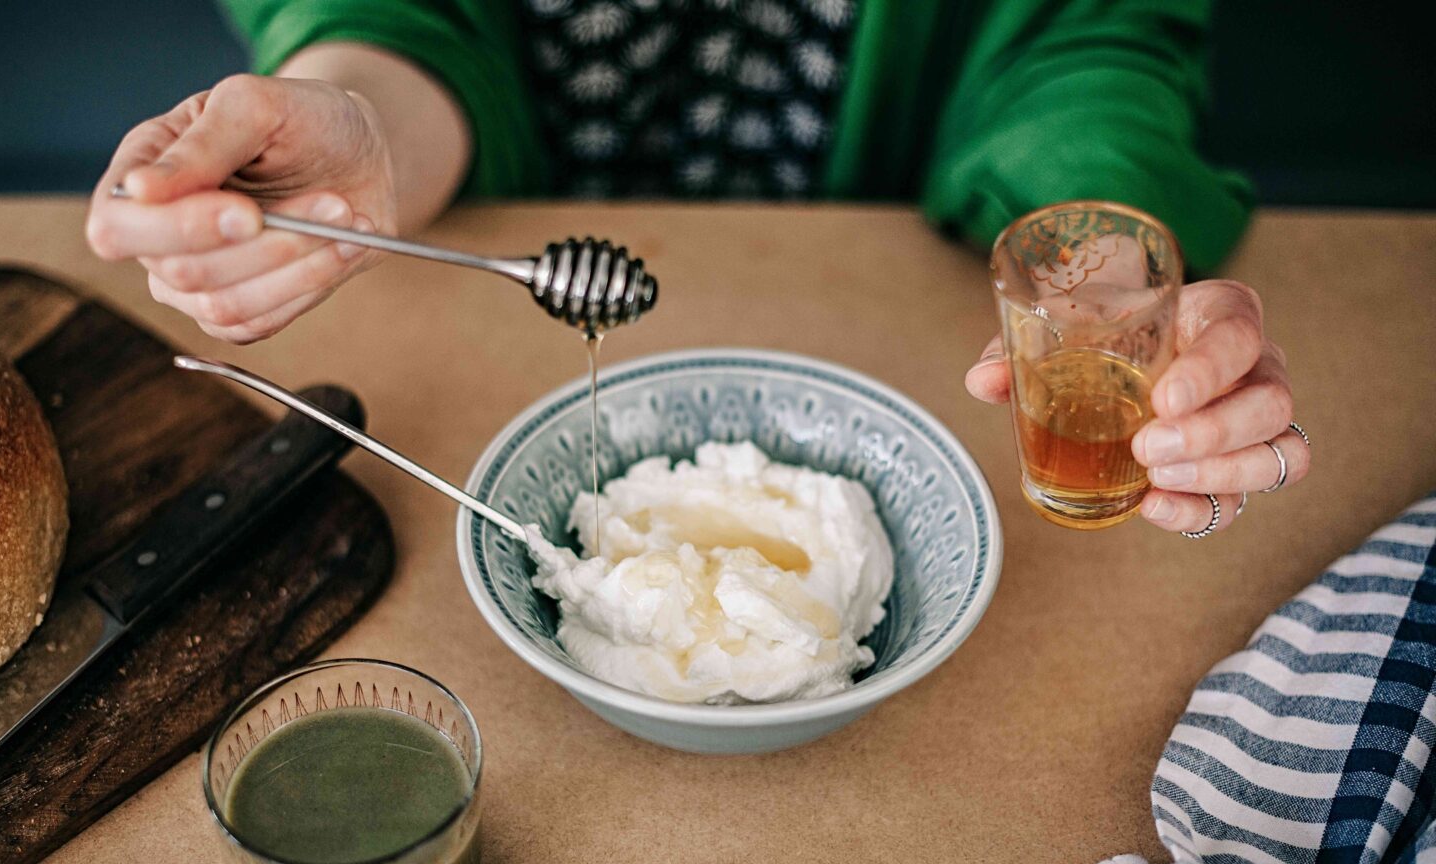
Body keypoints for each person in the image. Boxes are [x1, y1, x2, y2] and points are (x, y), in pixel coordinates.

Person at [84, 0, 1309, 536]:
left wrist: (1105, 283)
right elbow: (402, 18)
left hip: (876, 297)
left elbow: (1082, 42)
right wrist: (352, 135)